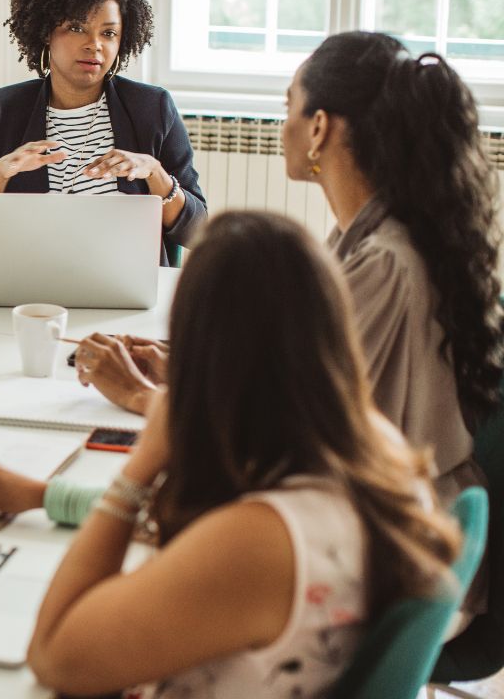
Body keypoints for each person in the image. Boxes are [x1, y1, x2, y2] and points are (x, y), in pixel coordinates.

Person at [0, 211, 461, 697]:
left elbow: (54, 656)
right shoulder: (371, 443)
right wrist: (47, 496)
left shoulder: (262, 542)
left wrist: (141, 463)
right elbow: (205, 541)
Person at [75, 31, 501, 507]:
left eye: (288, 106)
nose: (283, 126)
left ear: (318, 128)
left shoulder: (385, 263)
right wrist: (184, 373)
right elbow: (300, 386)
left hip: (395, 528)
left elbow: (289, 438)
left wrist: (139, 396)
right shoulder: (358, 237)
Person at [0, 0, 206, 266]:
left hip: (125, 288)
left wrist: (155, 173)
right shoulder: (3, 110)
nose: (94, 44)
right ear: (46, 32)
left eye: (108, 33)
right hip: (29, 286)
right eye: (77, 27)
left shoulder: (152, 108)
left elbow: (197, 231)